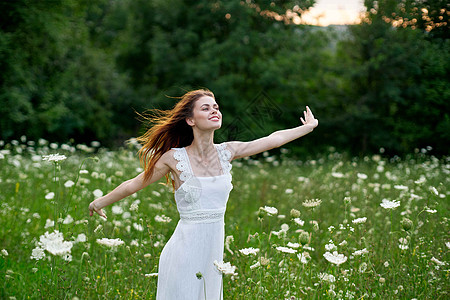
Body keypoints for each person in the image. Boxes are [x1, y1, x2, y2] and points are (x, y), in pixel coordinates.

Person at [89, 89, 318, 299]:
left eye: (216, 107)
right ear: (190, 120)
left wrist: (307, 128)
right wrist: (99, 202)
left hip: (213, 256)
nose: (214, 111)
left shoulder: (228, 151)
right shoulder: (173, 158)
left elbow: (272, 140)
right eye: (206, 108)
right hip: (183, 252)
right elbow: (134, 184)